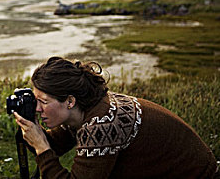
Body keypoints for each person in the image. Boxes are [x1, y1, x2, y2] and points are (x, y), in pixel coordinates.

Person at [14, 56, 218, 178]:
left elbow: (48, 151)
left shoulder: (102, 124)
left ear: (70, 101)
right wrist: (32, 128)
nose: (38, 108)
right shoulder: (88, 109)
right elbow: (55, 146)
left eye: (44, 101)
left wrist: (41, 147)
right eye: (35, 100)